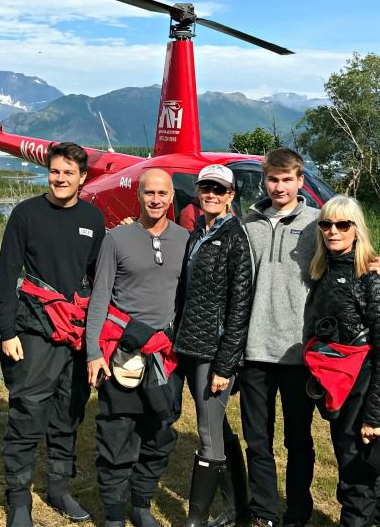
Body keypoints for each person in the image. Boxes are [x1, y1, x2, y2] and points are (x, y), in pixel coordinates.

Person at [240, 149, 380, 527]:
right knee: (258, 442)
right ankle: (263, 513)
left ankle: (296, 512)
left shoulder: (318, 223)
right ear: (264, 180)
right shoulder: (247, 225)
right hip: (255, 350)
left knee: (299, 443)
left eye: (287, 179)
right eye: (273, 179)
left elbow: (356, 258)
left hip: (303, 355)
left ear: (300, 180)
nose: (279, 187)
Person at [0, 142, 106, 527]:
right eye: (55, 172)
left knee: (67, 415)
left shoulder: (94, 217)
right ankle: (19, 500)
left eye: (69, 173)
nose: (60, 179)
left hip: (74, 333)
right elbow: (7, 276)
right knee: (27, 413)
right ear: (49, 173)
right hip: (34, 330)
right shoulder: (26, 214)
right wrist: (7, 332)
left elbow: (99, 278)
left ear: (82, 178)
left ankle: (58, 488)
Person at [86, 169, 189, 527]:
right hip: (122, 349)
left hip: (165, 354)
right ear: (139, 196)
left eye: (162, 193)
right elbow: (99, 298)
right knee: (116, 432)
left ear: (172, 197)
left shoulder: (186, 239)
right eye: (149, 193)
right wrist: (93, 353)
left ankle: (141, 503)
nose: (156, 200)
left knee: (159, 431)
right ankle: (114, 513)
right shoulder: (116, 239)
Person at [303, 195, 380, 527]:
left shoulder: (372, 278)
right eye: (327, 224)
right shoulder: (323, 272)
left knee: (357, 478)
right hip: (340, 386)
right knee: (369, 473)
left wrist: (374, 415)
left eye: (343, 224)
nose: (334, 231)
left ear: (356, 230)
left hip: (369, 387)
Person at [173, 164, 253, 527]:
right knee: (218, 427)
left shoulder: (235, 238)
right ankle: (238, 506)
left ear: (231, 196)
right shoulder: (197, 233)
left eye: (219, 190)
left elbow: (240, 306)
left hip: (214, 351)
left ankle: (196, 519)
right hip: (190, 345)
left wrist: (226, 363)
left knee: (207, 433)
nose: (211, 194)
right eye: (205, 188)